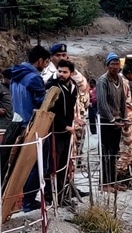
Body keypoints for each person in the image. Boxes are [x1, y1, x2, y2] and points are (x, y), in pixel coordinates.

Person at [12, 45, 51, 213]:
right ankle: (28, 200)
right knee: (39, 163)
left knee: (21, 164)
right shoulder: (34, 78)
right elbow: (41, 103)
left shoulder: (16, 75)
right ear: (40, 60)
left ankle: (22, 199)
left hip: (18, 124)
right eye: (46, 62)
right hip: (34, 125)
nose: (46, 65)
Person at [45, 60, 77, 206]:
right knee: (53, 164)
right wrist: (64, 126)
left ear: (71, 73)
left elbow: (69, 109)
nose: (61, 74)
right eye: (60, 71)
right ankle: (50, 197)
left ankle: (62, 194)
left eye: (65, 72)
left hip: (67, 132)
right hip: (55, 131)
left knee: (64, 164)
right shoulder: (52, 86)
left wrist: (74, 120)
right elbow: (50, 111)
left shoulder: (73, 87)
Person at [95, 53, 127, 191]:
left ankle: (113, 181)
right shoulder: (102, 81)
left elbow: (122, 100)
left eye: (117, 64)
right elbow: (102, 103)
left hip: (117, 121)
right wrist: (112, 119)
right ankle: (104, 183)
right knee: (106, 152)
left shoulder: (119, 79)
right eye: (112, 64)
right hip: (106, 122)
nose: (115, 67)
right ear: (107, 65)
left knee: (114, 152)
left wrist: (124, 118)